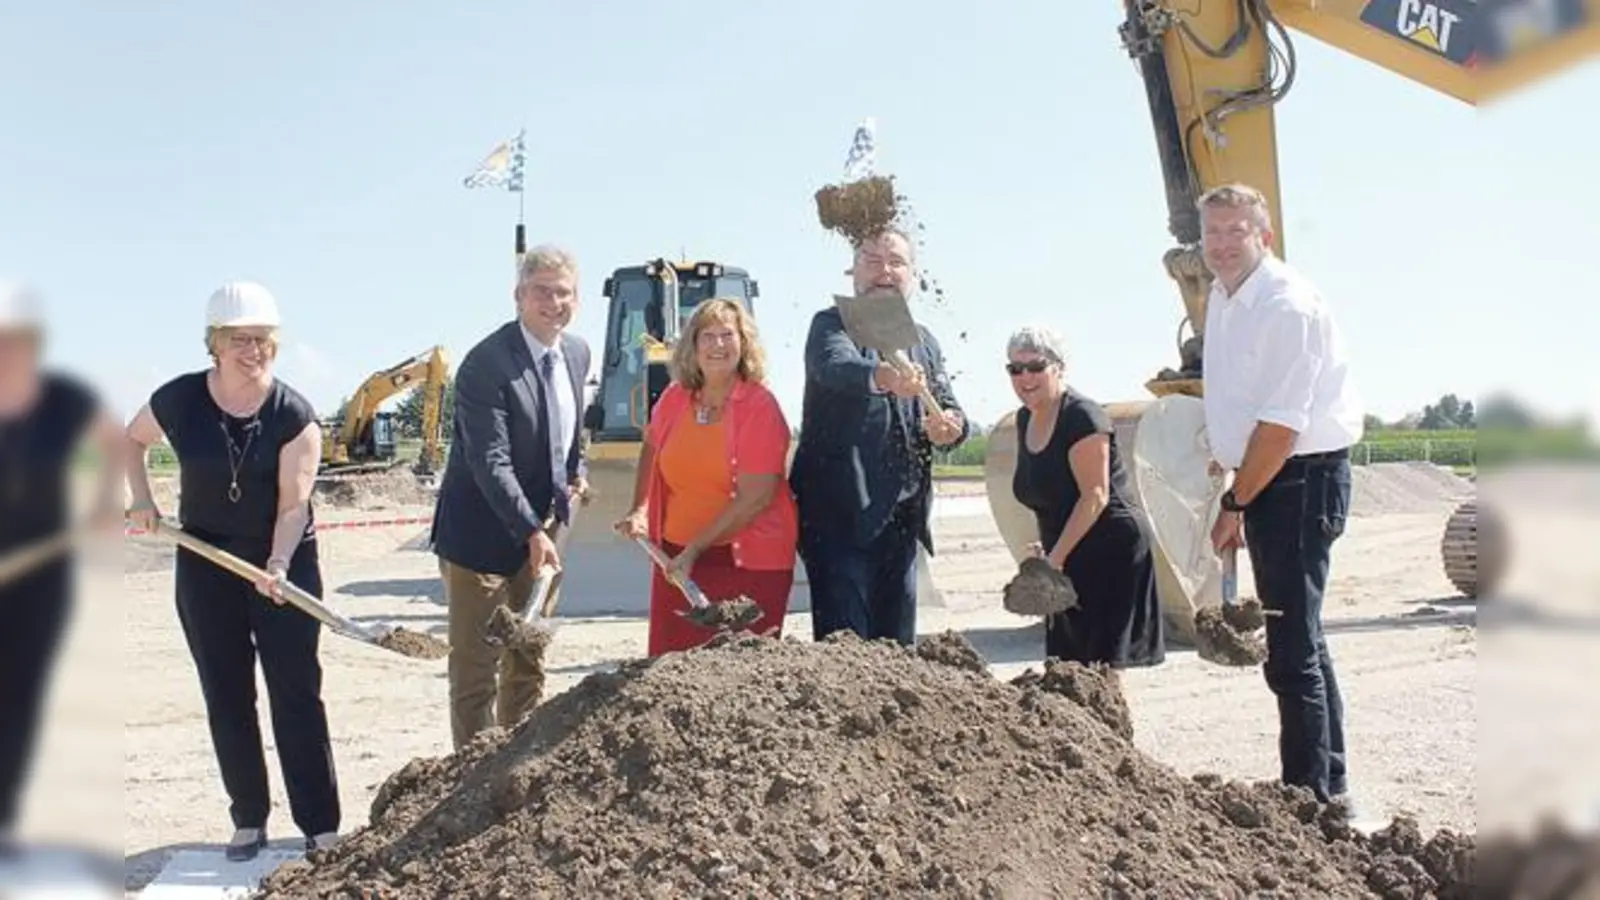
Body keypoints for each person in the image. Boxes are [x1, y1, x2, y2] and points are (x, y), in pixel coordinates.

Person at [123, 281, 341, 859]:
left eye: (263, 339)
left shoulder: (294, 414)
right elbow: (131, 441)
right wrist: (142, 498)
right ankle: (248, 818)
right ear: (213, 343)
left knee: (294, 690)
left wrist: (276, 563)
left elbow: (294, 505)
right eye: (239, 339)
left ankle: (320, 824)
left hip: (282, 561)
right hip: (204, 560)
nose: (253, 349)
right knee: (226, 691)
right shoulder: (179, 399)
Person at [1197, 183, 1365, 806]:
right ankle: (1330, 787)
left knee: (1291, 651)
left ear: (1263, 236)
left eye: (1235, 232)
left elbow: (1281, 426)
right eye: (1212, 233)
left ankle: (1308, 799)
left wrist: (1238, 501)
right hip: (1272, 478)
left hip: (1299, 477)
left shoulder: (1285, 304)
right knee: (1305, 641)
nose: (1221, 246)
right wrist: (1240, 491)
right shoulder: (1223, 296)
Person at [429, 244, 590, 750]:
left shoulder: (577, 353)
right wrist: (529, 531)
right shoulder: (486, 364)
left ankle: (516, 767)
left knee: (527, 661)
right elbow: (489, 460)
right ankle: (471, 781)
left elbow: (567, 437)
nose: (553, 302)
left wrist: (576, 473)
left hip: (541, 535)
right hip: (480, 539)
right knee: (478, 668)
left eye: (563, 293)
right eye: (541, 291)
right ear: (519, 296)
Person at [789, 226, 968, 647]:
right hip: (838, 518)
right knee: (845, 643)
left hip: (901, 520)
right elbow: (834, 367)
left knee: (897, 644)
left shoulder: (924, 341)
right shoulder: (831, 325)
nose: (884, 272)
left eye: (896, 262)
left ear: (914, 275)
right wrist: (883, 377)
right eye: (872, 261)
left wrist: (950, 427)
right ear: (852, 270)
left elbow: (947, 404)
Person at [0, 284, 122, 855]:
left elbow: (112, 441)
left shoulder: (65, 399)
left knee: (19, 696)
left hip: (42, 574)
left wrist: (101, 503)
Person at [613, 297, 798, 657]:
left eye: (727, 335)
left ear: (743, 343)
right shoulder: (674, 398)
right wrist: (640, 509)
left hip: (745, 565)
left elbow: (755, 497)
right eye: (707, 335)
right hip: (676, 562)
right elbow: (651, 448)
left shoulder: (760, 407)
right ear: (692, 346)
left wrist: (695, 549)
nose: (718, 345)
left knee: (737, 673)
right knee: (670, 671)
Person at [1005, 325, 1165, 669]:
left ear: (1059, 367)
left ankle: (1111, 723)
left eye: (1035, 367)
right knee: (1065, 665)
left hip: (1110, 549)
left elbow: (1094, 496)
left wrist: (1053, 561)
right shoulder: (1025, 418)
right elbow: (1046, 492)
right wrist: (1047, 549)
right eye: (1015, 369)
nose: (1025, 377)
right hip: (1064, 553)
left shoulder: (1082, 417)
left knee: (1099, 670)